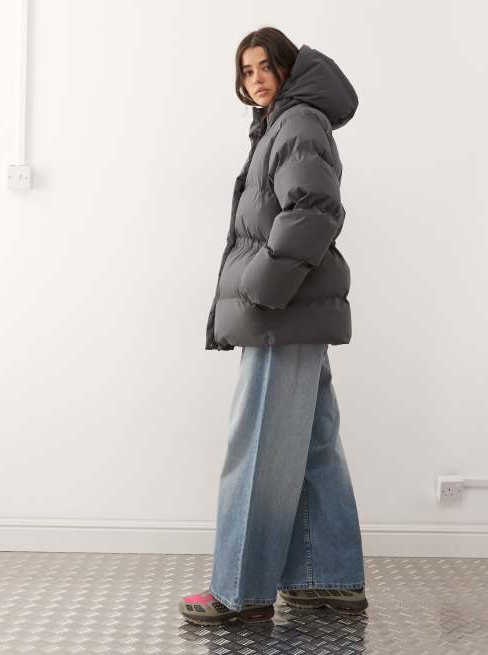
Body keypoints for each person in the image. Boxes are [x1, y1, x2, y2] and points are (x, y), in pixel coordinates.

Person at [179, 26, 367, 626]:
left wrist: (262, 288)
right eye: (246, 71)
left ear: (288, 68)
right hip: (295, 312)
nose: (255, 79)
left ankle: (239, 592)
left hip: (282, 313)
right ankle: (328, 579)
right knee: (312, 449)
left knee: (258, 449)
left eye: (265, 67)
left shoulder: (297, 123)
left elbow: (313, 209)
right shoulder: (282, 125)